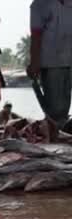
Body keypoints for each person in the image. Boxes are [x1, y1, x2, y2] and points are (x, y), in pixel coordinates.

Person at [27, 0, 72, 130]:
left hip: (69, 59)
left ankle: (60, 132)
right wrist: (34, 62)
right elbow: (35, 36)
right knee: (55, 108)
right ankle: (54, 133)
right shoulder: (39, 5)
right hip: (51, 62)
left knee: (65, 106)